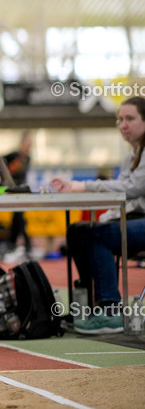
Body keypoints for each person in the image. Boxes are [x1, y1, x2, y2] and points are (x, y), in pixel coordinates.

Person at [50, 96, 145, 335]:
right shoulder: (130, 156)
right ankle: (90, 301)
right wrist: (108, 215)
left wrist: (83, 186)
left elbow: (131, 189)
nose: (123, 124)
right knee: (77, 231)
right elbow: (125, 197)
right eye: (120, 120)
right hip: (136, 219)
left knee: (99, 235)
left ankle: (111, 309)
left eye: (130, 119)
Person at [0, 130, 34, 261]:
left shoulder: (28, 158)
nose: (29, 146)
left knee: (19, 217)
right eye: (27, 142)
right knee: (18, 217)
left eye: (31, 143)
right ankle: (23, 245)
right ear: (22, 143)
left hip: (20, 190)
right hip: (10, 189)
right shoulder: (15, 155)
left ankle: (17, 245)